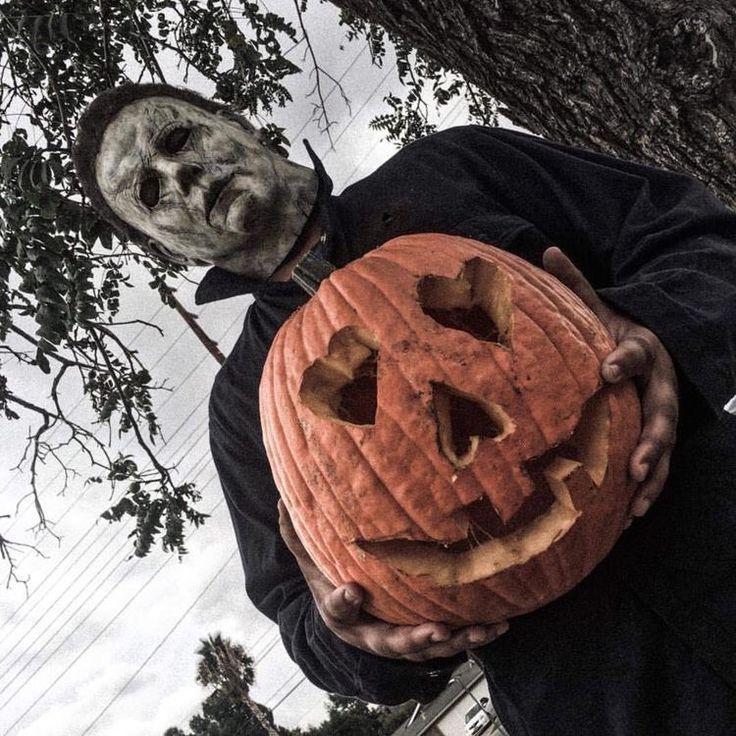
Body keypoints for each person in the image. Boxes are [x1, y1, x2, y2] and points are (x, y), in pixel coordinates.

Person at [73, 83, 736, 735]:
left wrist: (661, 330)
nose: (180, 173)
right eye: (152, 191)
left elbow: (697, 236)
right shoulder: (243, 407)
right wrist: (359, 637)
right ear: (163, 248)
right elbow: (301, 613)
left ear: (236, 121)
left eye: (177, 138)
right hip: (592, 700)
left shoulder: (456, 169)